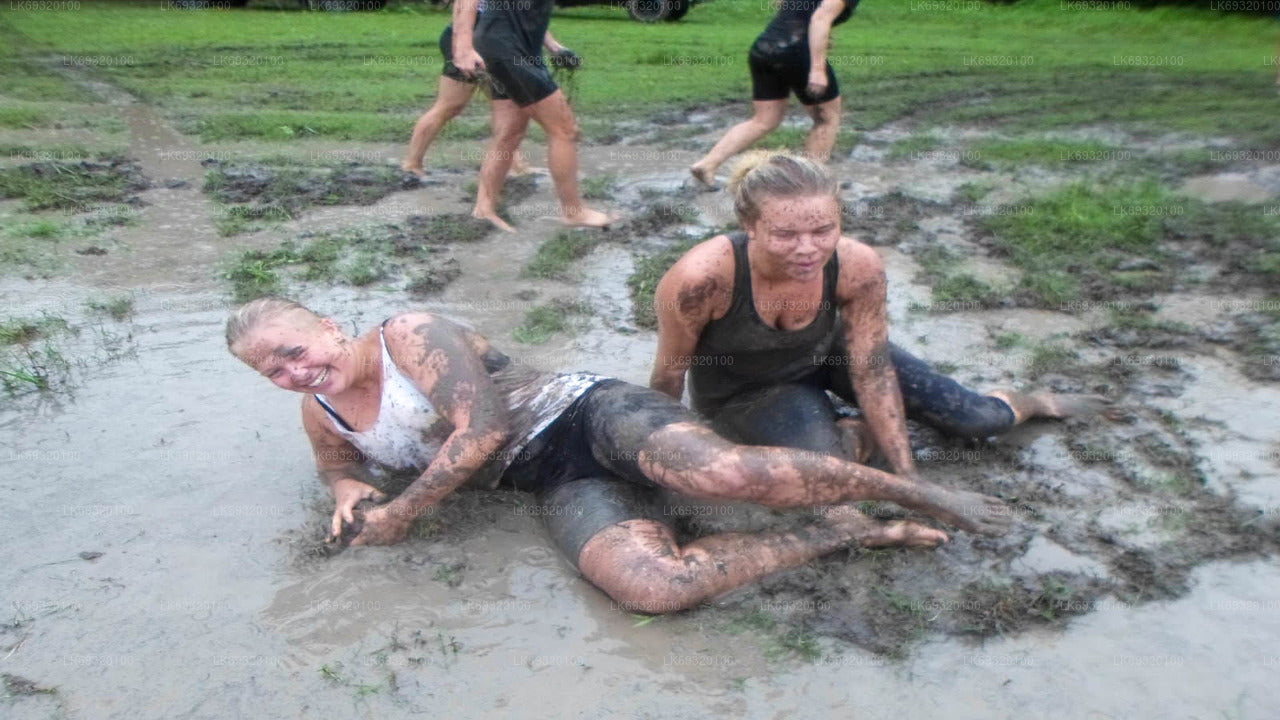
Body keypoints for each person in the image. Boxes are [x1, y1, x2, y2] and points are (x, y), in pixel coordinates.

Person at [226, 298, 1013, 613]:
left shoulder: (407, 334)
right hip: (552, 478)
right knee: (651, 589)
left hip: (590, 413)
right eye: (274, 371)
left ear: (330, 326)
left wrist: (401, 511)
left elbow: (483, 430)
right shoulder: (319, 412)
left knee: (727, 473)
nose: (294, 372)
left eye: (295, 351)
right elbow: (337, 466)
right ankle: (846, 532)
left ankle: (916, 493)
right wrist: (345, 489)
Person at [652, 152, 1106, 478]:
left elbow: (871, 368)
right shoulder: (701, 280)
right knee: (824, 476)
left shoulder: (857, 265)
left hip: (828, 356)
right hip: (747, 391)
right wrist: (661, 455)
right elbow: (669, 377)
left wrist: (907, 475)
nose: (808, 249)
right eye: (786, 234)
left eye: (823, 230)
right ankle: (850, 432)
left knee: (976, 420)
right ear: (749, 225)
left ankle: (1033, 402)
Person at [450, 0, 615, 231]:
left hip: (517, 49)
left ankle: (484, 209)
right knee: (564, 130)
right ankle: (574, 212)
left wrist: (554, 47)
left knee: (510, 133)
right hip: (505, 48)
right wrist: (463, 46)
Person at [689, 0, 859, 189]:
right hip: (796, 52)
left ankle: (707, 164)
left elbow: (799, 12)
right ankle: (812, 181)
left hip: (766, 47)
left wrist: (819, 35)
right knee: (826, 119)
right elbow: (820, 18)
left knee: (764, 120)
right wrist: (817, 70)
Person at [401, 6, 578, 179]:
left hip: (500, 45)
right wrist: (462, 48)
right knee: (450, 106)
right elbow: (462, 7)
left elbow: (523, 16)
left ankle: (514, 166)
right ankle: (412, 164)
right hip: (471, 41)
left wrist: (555, 48)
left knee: (510, 109)